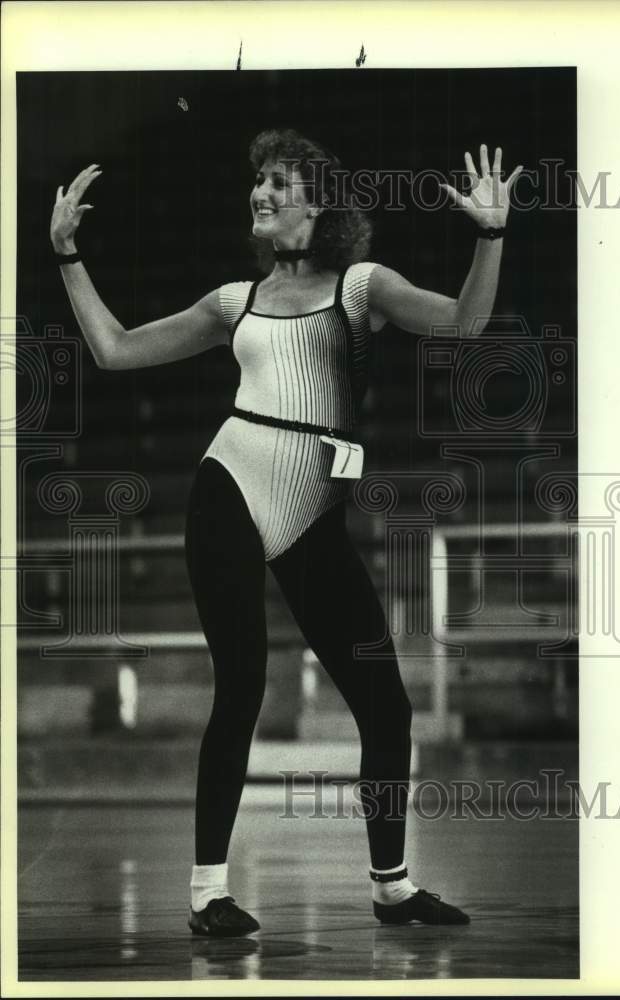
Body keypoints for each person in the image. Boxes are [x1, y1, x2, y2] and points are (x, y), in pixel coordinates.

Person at [49, 128, 522, 937]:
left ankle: (392, 888)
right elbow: (115, 350)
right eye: (255, 184)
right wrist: (66, 255)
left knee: (387, 705)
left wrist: (489, 234)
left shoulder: (361, 286)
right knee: (241, 687)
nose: (258, 195)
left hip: (312, 510)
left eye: (275, 182)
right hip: (229, 483)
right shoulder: (234, 301)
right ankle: (207, 894)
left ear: (317, 200)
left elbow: (463, 325)